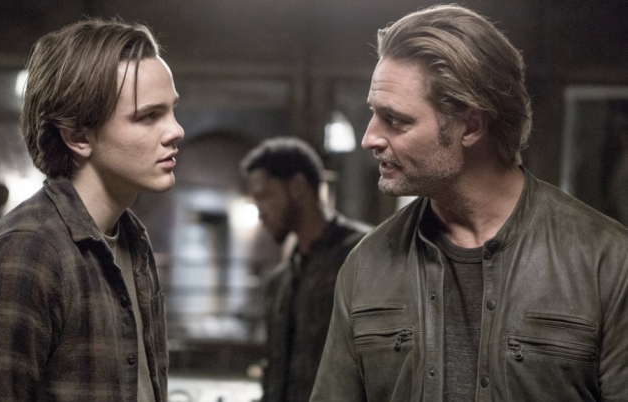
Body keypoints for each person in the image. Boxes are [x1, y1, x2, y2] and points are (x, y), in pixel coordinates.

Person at [310, 5, 628, 402]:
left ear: (471, 126)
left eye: (395, 119)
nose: (369, 138)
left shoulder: (608, 262)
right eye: (375, 114)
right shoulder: (366, 264)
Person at [0, 18, 184, 401]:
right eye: (148, 116)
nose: (176, 130)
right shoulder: (24, 254)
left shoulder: (132, 241)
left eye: (171, 110)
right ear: (78, 136)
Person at [240, 137, 372, 402]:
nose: (261, 212)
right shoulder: (281, 281)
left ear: (298, 186)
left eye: (265, 196)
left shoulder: (363, 255)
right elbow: (275, 373)